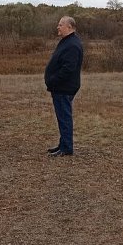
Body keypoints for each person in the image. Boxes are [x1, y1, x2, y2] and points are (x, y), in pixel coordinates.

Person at [44, 16, 83, 157]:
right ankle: (63, 144)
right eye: (58, 24)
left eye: (61, 25)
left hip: (64, 87)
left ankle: (66, 148)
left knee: (64, 117)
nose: (58, 27)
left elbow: (68, 69)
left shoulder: (72, 44)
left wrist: (53, 80)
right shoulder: (67, 41)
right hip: (61, 87)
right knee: (62, 117)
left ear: (70, 27)